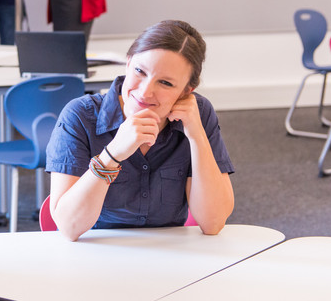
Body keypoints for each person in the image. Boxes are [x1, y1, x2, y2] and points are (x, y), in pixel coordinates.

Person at [45, 20, 234, 241]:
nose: (145, 92)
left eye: (165, 83)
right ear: (127, 63)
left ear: (186, 91)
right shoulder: (80, 116)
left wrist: (196, 134)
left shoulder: (198, 114)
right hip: (95, 252)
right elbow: (69, 227)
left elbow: (213, 223)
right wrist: (112, 154)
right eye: (139, 71)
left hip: (170, 256)